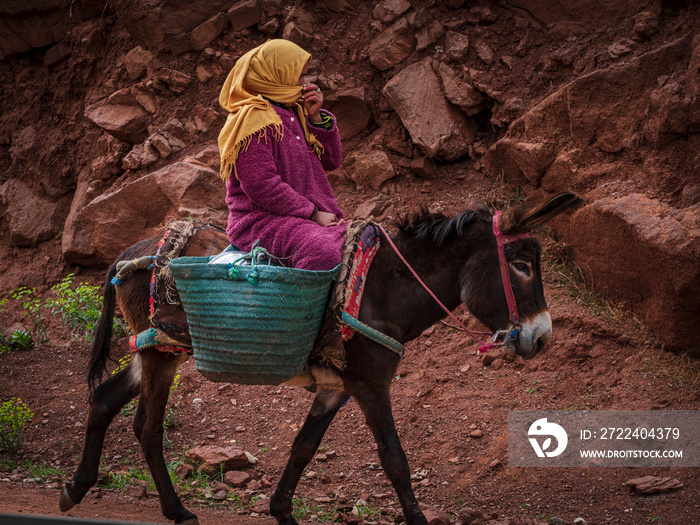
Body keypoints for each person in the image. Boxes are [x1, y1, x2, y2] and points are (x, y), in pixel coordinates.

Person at [218, 39, 347, 271]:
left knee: (370, 239)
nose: (305, 84)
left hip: (302, 219)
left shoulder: (294, 112)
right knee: (322, 253)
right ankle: (303, 308)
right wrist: (313, 214)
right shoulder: (252, 120)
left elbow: (331, 161)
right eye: (299, 76)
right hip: (260, 221)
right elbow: (261, 185)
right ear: (276, 75)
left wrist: (317, 118)